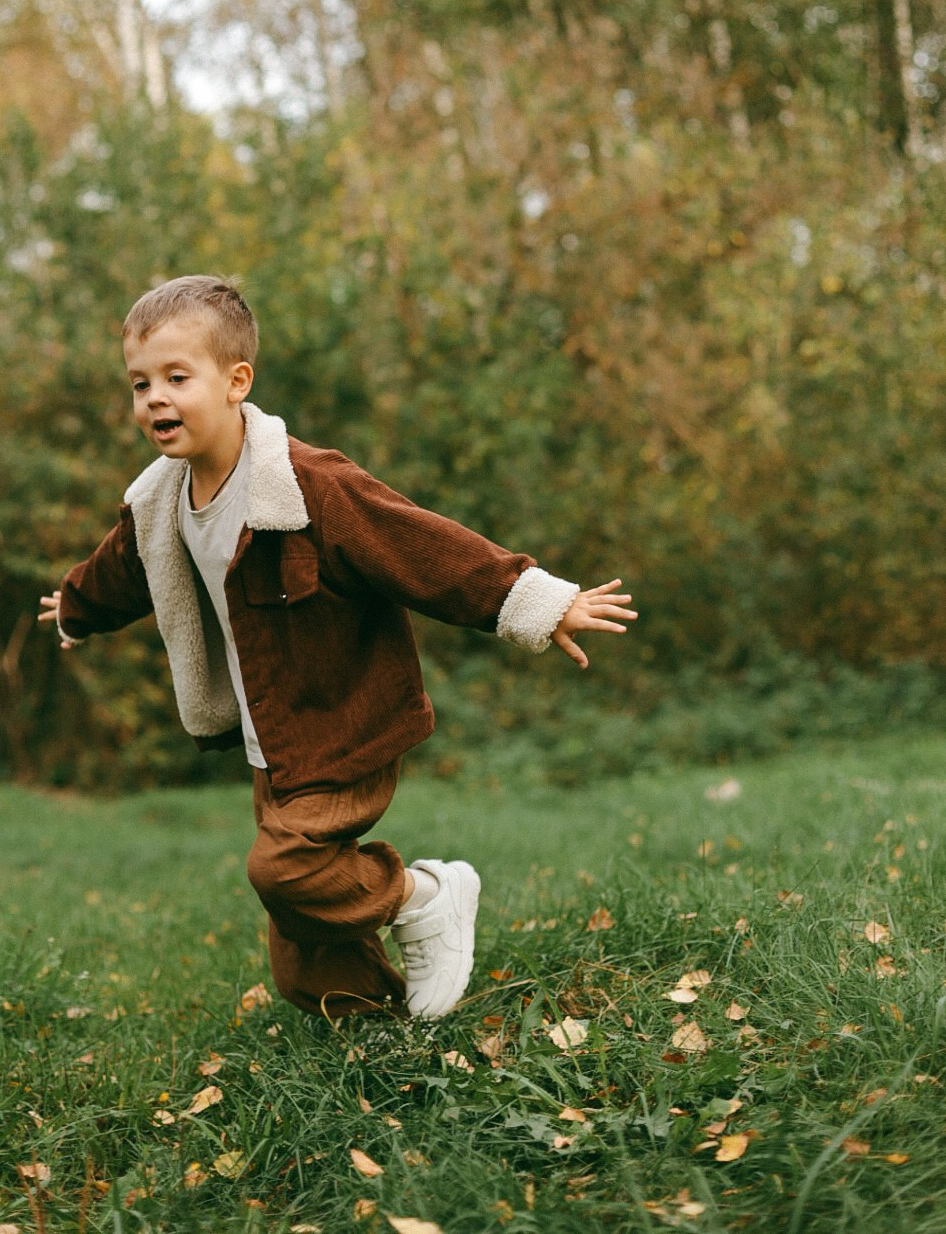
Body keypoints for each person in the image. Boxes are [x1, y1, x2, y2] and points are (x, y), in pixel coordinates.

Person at [38, 275, 635, 1022]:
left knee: (286, 868)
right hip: (274, 740)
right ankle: (371, 1025)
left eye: (176, 378)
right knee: (303, 956)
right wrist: (76, 608)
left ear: (236, 382)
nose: (154, 398)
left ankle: (428, 896)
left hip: (343, 716)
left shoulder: (307, 486)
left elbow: (420, 546)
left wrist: (538, 603)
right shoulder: (161, 499)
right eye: (139, 383)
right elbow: (123, 570)